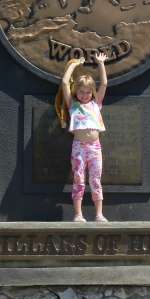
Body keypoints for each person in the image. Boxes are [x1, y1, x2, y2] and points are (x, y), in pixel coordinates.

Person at [60, 53, 108, 222]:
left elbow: (104, 83)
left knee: (95, 179)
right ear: (76, 91)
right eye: (81, 92)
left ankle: (99, 214)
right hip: (79, 146)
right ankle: (78, 214)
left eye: (88, 92)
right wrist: (74, 64)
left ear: (92, 93)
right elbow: (64, 82)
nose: (85, 95)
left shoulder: (96, 104)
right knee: (78, 179)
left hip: (95, 146)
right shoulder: (73, 105)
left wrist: (101, 63)